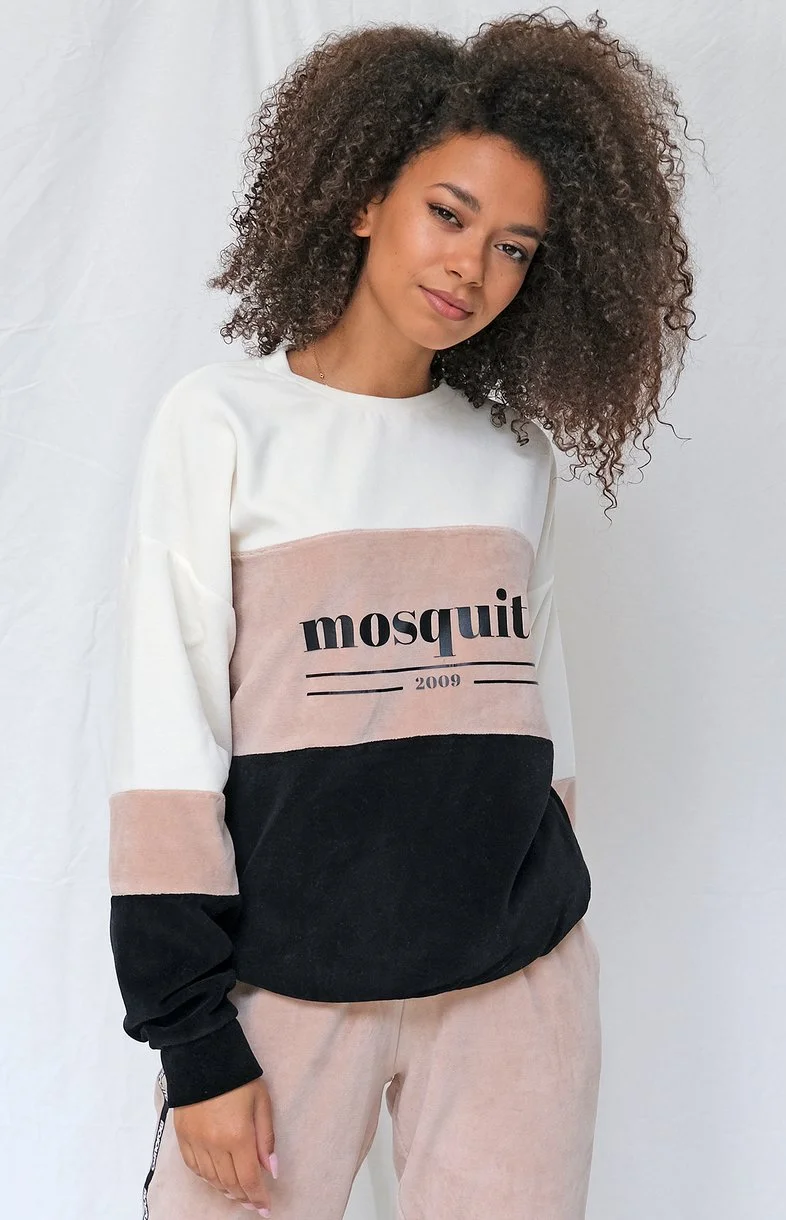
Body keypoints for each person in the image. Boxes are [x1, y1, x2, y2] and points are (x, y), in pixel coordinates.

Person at [107, 9, 697, 1218]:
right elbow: (167, 734)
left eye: (513, 246)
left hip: (512, 982)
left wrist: (545, 905)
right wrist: (191, 1033)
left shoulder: (510, 458)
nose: (470, 267)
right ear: (365, 197)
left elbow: (541, 717)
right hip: (283, 979)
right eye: (447, 213)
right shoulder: (222, 423)